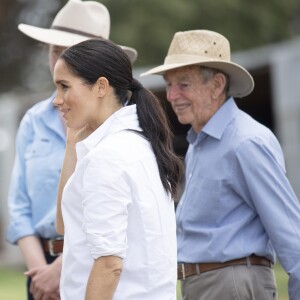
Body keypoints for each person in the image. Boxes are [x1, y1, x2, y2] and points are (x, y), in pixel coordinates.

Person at [141, 29, 300, 300]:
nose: (171, 96)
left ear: (216, 85)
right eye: (169, 84)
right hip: (213, 285)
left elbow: (290, 234)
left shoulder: (246, 142)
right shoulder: (199, 144)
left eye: (184, 84)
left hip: (232, 285)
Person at [6, 1, 137, 299]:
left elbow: (114, 216)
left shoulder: (117, 126)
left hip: (94, 265)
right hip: (40, 273)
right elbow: (19, 208)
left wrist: (61, 270)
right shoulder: (33, 122)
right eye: (54, 50)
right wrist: (42, 275)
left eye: (70, 52)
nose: (59, 61)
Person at [52, 37, 183, 300]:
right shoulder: (138, 143)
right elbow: (65, 225)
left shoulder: (109, 156)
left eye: (64, 86)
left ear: (101, 87)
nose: (57, 100)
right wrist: (72, 144)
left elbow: (109, 264)